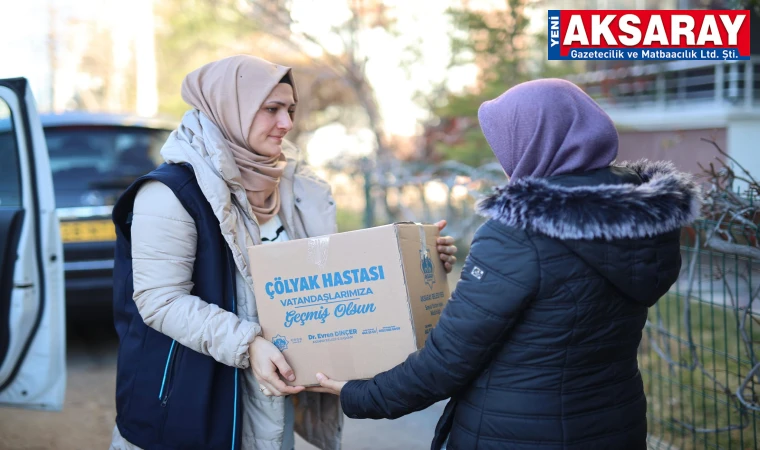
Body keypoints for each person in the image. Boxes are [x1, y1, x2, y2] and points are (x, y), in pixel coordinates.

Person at [312, 78, 702, 450]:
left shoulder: (519, 233)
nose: (504, 162)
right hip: (615, 426)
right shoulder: (644, 220)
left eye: (506, 144)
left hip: (516, 434)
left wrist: (357, 393)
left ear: (534, 143)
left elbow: (446, 363)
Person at [108, 55, 459, 450]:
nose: (287, 124)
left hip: (274, 393)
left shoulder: (298, 188)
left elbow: (332, 278)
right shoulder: (168, 193)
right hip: (190, 399)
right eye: (271, 109)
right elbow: (159, 299)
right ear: (229, 109)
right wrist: (248, 343)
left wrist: (420, 263)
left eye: (290, 110)